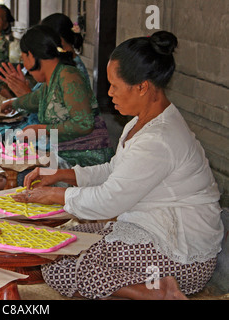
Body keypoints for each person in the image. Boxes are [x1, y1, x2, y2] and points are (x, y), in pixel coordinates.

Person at [13, 31, 224, 300]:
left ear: (142, 86)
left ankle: (159, 291)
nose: (109, 92)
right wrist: (61, 174)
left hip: (181, 252)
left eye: (115, 85)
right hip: (147, 228)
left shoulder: (159, 139)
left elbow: (109, 200)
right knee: (58, 248)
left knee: (76, 266)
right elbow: (114, 172)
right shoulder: (139, 123)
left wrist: (57, 195)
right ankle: (148, 289)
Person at [0, 25, 114, 168]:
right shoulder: (53, 78)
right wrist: (14, 103)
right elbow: (36, 99)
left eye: (23, 58)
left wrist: (42, 129)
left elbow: (84, 124)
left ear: (31, 55)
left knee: (18, 177)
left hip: (85, 162)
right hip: (62, 156)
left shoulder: (68, 76)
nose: (24, 65)